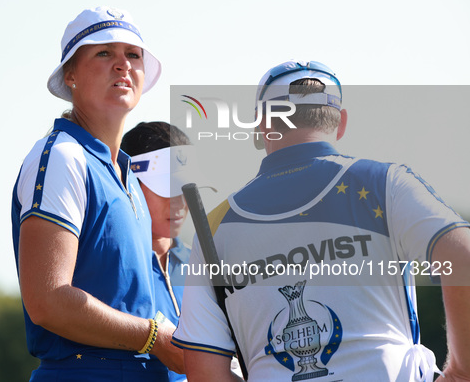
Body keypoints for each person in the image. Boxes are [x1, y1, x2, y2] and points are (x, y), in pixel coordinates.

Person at [172, 60, 470, 381]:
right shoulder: (386, 183)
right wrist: (460, 372)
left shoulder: (213, 227)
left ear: (261, 126)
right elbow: (462, 256)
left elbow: (204, 373)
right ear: (340, 122)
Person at [11, 6, 183, 381]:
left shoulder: (128, 177)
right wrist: (155, 338)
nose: (122, 65)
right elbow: (47, 301)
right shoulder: (62, 155)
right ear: (70, 74)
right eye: (104, 52)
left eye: (133, 55)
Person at [121, 121, 195, 382]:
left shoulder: (206, 264)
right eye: (165, 186)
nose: (180, 201)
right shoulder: (111, 266)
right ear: (130, 184)